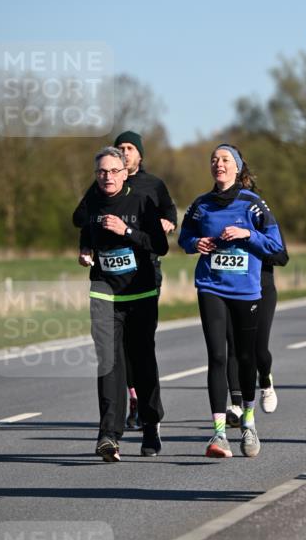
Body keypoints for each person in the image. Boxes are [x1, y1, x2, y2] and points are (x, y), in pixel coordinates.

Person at [178, 144, 285, 458]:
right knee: (217, 356)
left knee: (247, 357)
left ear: (237, 168)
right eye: (214, 160)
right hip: (210, 286)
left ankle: (249, 423)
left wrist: (247, 235)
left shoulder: (252, 204)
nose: (218, 164)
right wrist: (196, 242)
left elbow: (278, 248)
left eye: (225, 160)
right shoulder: (201, 205)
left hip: (246, 290)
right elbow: (184, 237)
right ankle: (219, 433)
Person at [73, 130, 177, 429]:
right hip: (106, 287)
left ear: (138, 156)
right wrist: (86, 247)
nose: (126, 151)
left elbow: (167, 222)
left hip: (144, 276)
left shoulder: (150, 188)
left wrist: (161, 224)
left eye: (130, 148)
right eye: (121, 147)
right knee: (111, 357)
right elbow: (82, 221)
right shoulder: (98, 191)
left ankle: (148, 412)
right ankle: (118, 420)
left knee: (140, 349)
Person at [225, 233, 289, 427]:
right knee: (234, 348)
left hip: (262, 289)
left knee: (259, 350)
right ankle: (236, 404)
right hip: (232, 290)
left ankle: (266, 381)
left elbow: (282, 257)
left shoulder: (264, 222)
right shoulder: (225, 222)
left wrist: (251, 245)